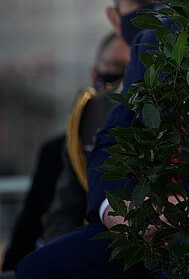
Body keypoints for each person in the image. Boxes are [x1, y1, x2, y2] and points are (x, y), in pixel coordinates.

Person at [14, 0, 173, 279]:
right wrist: (111, 211)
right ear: (116, 18)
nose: (153, 11)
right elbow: (65, 210)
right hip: (123, 235)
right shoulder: (95, 109)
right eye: (139, 0)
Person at [39, 32, 132, 244]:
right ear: (94, 73)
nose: (121, 86)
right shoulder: (83, 123)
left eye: (131, 71)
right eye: (115, 67)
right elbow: (64, 210)